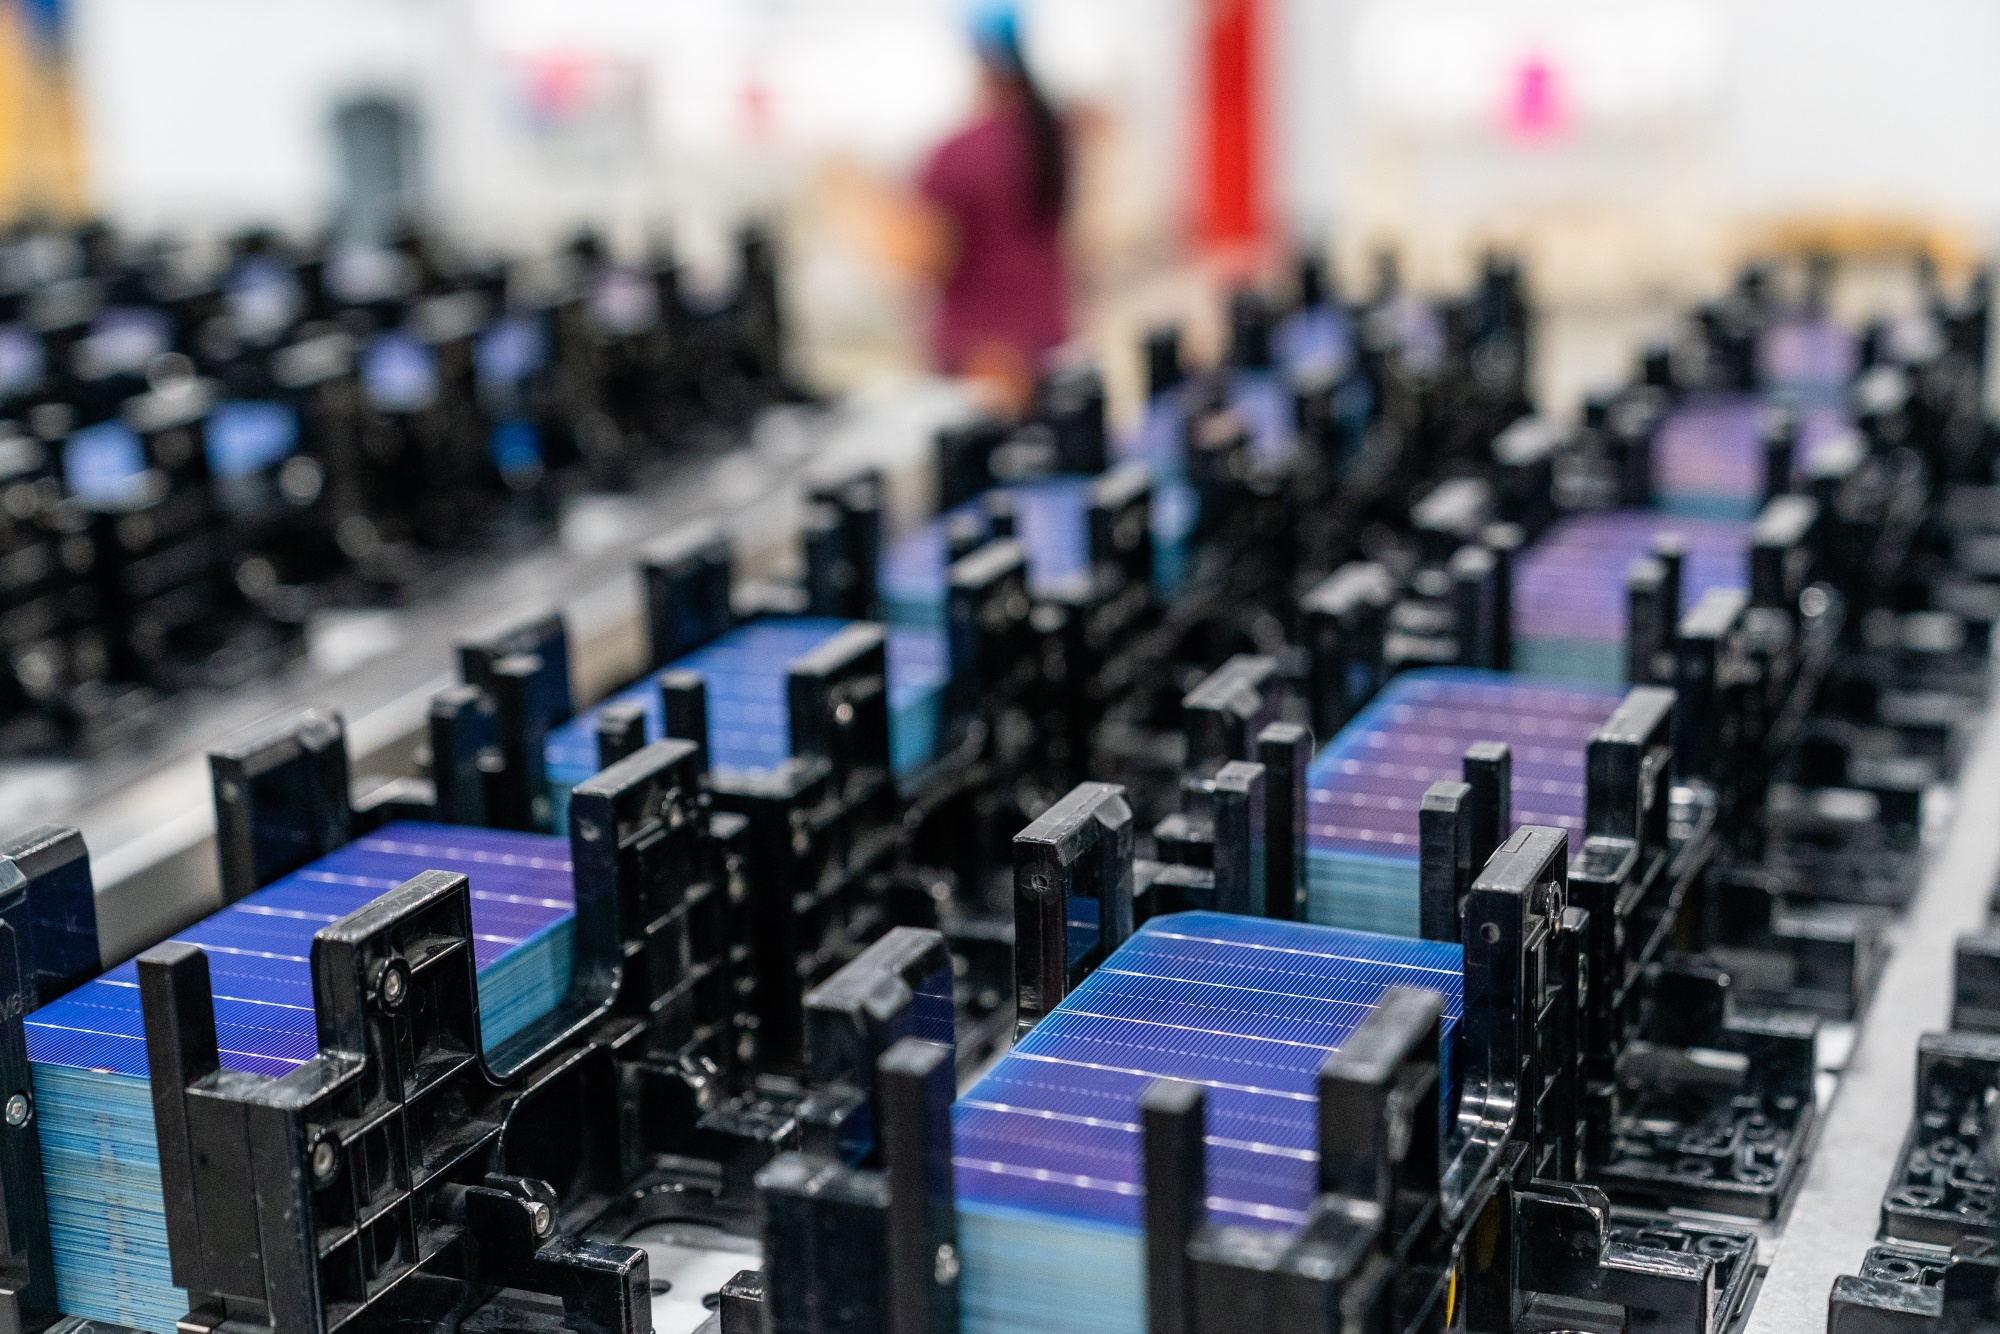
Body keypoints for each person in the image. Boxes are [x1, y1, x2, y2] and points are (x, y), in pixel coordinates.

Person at [904, 8, 1071, 414]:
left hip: (983, 361)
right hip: (1050, 341)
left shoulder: (956, 154)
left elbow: (929, 258)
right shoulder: (1051, 132)